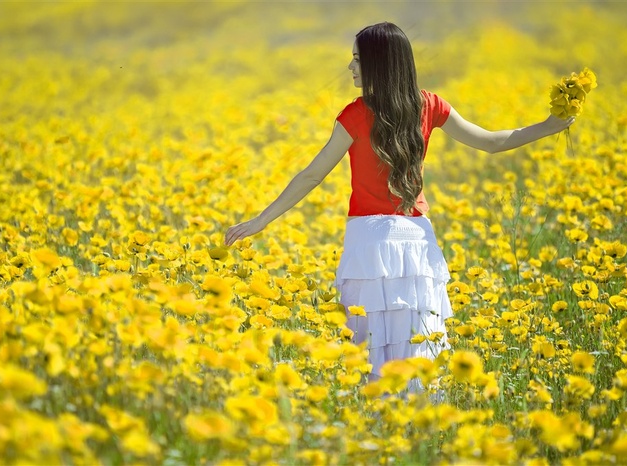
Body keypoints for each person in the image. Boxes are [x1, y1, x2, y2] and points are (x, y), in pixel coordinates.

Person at [225, 22, 574, 391]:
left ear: (380, 64)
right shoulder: (429, 105)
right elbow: (491, 142)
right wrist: (549, 126)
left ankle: (381, 434)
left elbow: (312, 176)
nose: (351, 67)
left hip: (369, 246)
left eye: (358, 59)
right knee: (418, 347)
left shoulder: (355, 114)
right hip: (417, 243)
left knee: (369, 350)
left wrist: (261, 220)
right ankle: (422, 432)